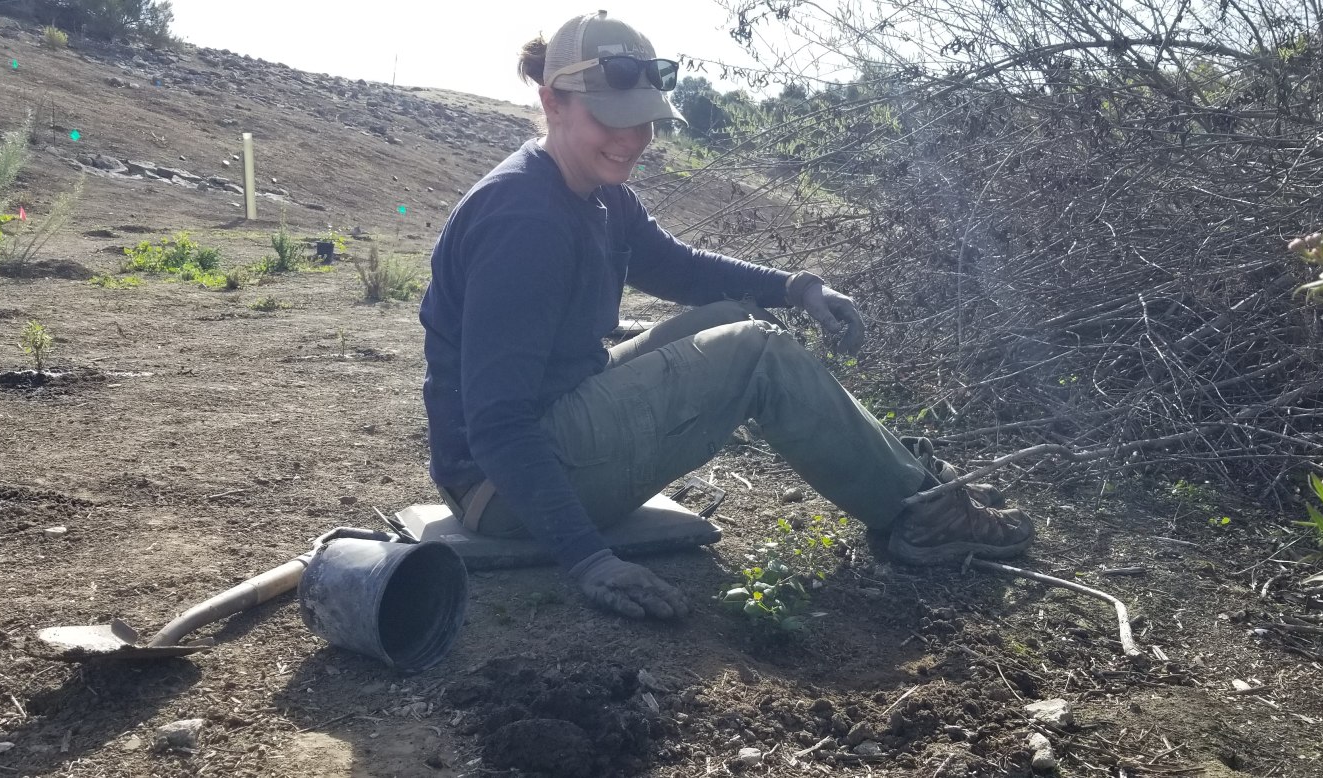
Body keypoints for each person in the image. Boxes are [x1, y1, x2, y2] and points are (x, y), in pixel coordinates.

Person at [419, 10, 1034, 620]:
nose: (632, 139)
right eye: (610, 119)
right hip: (503, 491)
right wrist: (589, 559)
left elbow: (676, 265)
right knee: (755, 351)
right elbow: (498, 424)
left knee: (728, 317)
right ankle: (922, 517)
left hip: (549, 429)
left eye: (645, 122)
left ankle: (915, 485)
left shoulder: (595, 192)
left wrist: (794, 286)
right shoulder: (524, 222)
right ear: (553, 102)